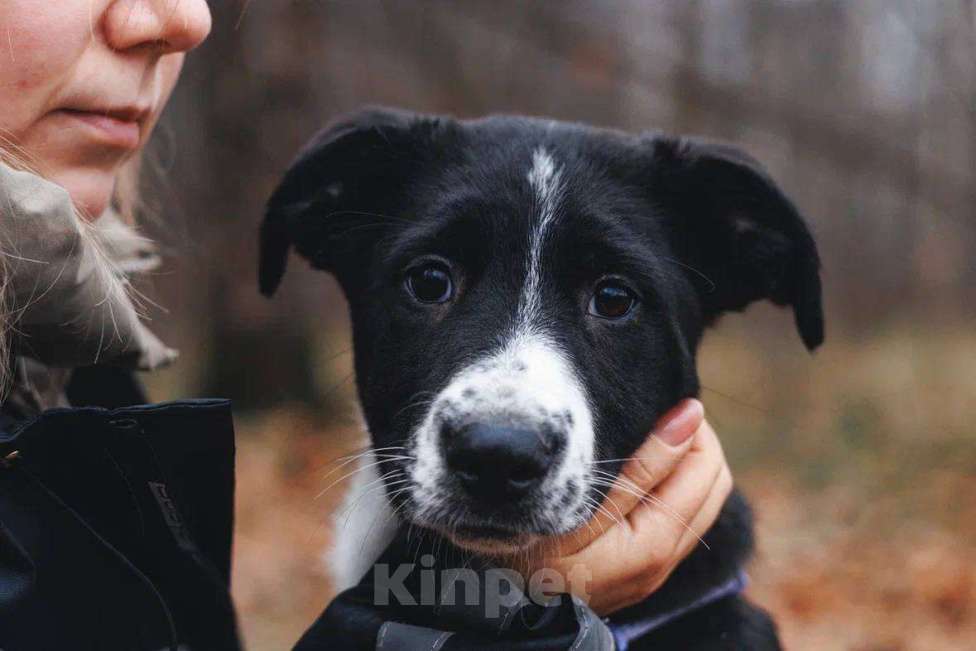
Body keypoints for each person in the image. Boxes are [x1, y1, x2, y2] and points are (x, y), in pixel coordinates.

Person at [0, 2, 733, 649]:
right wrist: (467, 621)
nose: (185, 16)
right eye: (431, 281)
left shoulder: (73, 379)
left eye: (613, 298)